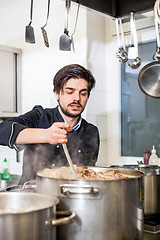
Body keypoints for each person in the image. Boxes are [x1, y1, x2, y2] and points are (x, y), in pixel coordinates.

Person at [0, 64, 100, 184]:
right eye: (70, 92)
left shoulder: (91, 132)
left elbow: (88, 173)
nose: (77, 98)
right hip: (34, 196)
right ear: (57, 93)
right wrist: (46, 135)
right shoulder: (40, 116)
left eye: (83, 93)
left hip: (72, 199)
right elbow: (2, 131)